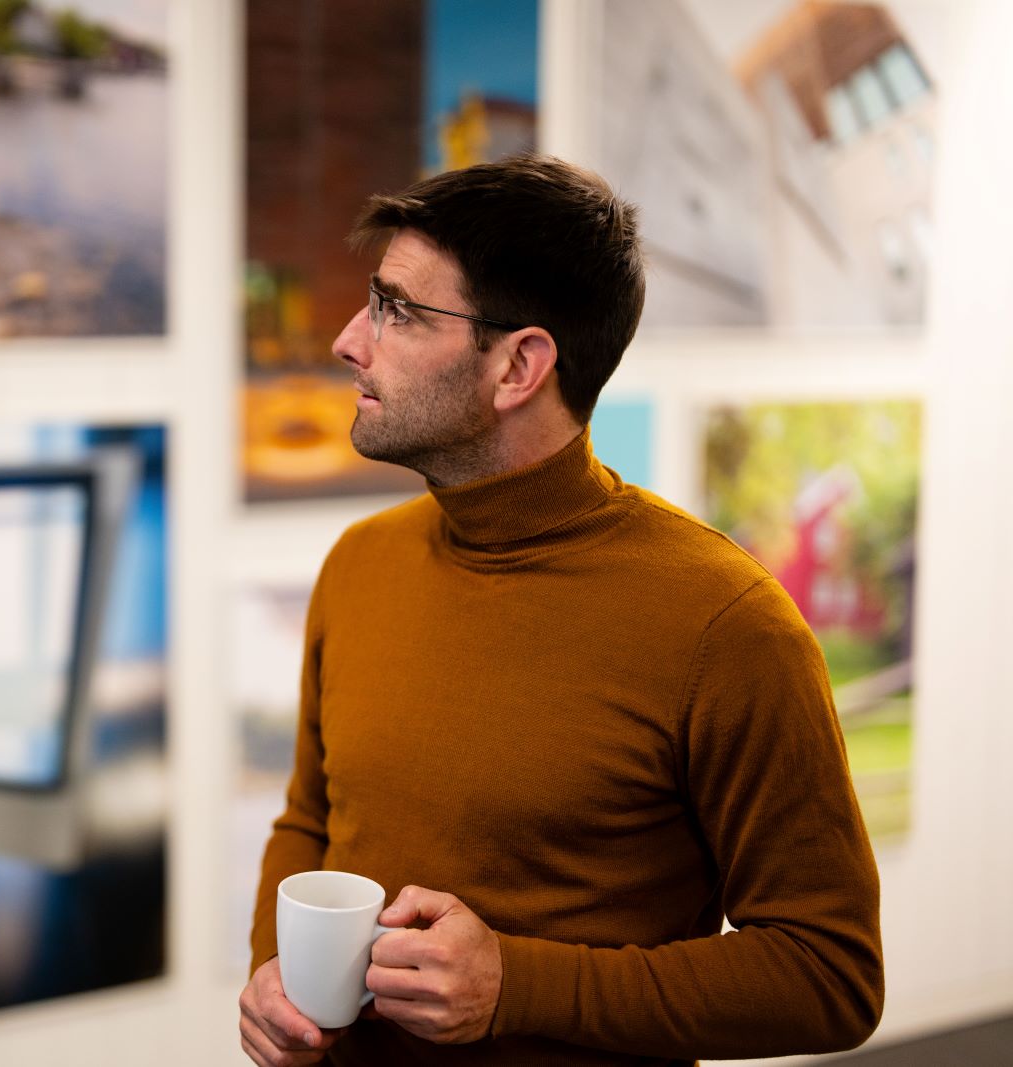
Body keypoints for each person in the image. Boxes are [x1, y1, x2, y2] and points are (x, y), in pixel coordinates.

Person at [238, 155, 884, 1067]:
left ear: (519, 366)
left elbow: (831, 974)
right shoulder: (358, 564)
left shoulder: (727, 625)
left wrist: (519, 984)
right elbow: (308, 821)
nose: (349, 338)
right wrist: (276, 973)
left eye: (397, 309)